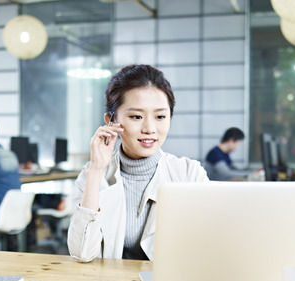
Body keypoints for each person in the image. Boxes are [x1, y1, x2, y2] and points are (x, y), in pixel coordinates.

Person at [67, 64, 209, 263]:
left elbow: (207, 247)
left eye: (160, 116)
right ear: (111, 121)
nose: (150, 128)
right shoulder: (92, 174)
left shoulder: (189, 174)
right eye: (136, 117)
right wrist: (96, 169)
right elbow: (81, 253)